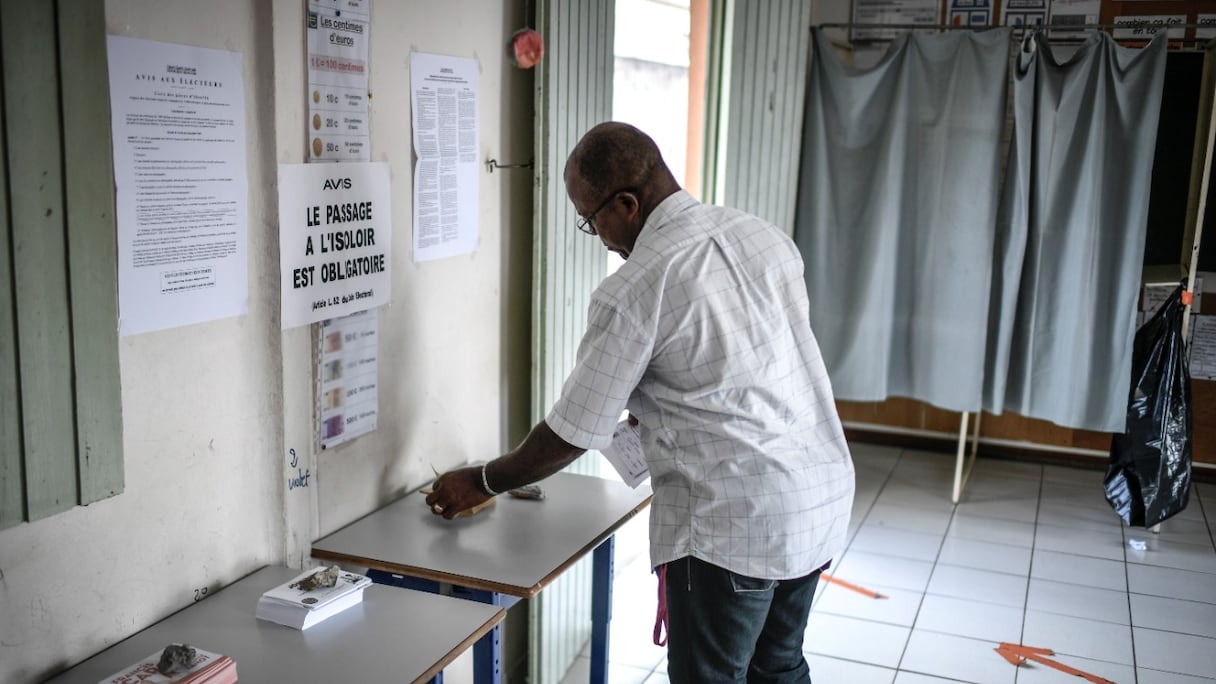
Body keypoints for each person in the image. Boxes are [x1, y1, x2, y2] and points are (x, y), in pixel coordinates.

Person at [427, 121, 855, 683]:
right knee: (778, 666)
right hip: (815, 498)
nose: (600, 237)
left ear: (626, 203)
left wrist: (482, 481)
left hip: (733, 528)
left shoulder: (635, 288)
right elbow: (753, 368)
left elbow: (572, 432)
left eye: (591, 219)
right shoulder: (761, 235)